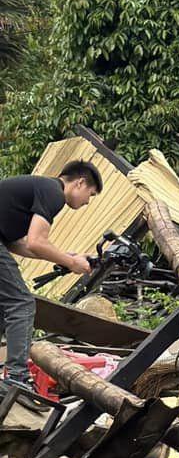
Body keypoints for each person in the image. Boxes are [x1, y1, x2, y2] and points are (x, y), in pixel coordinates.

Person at [0, 161, 103, 391]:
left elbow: (21, 245)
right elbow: (37, 242)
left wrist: (67, 257)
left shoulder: (41, 188)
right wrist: (70, 262)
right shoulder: (53, 192)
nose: (87, 201)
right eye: (91, 194)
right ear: (80, 183)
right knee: (22, 304)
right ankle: (16, 377)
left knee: (4, 308)